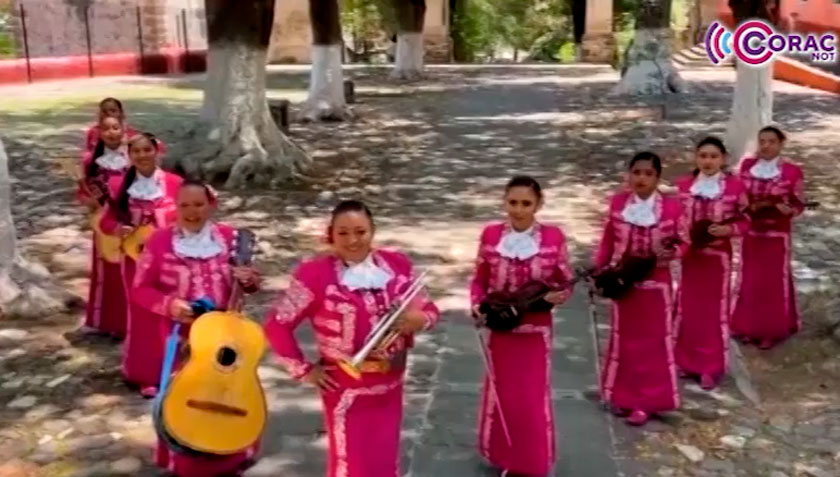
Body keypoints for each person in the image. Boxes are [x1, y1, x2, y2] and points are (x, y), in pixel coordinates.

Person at [264, 200, 440, 477]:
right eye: (343, 233)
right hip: (345, 388)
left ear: (373, 231)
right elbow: (277, 326)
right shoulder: (315, 275)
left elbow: (430, 309)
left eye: (360, 232)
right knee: (351, 462)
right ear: (331, 235)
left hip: (391, 385)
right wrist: (304, 370)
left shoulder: (397, 265)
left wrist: (420, 319)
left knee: (384, 459)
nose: (352, 240)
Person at [131, 180, 261, 476]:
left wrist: (249, 280)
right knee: (189, 402)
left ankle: (230, 455)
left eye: (199, 204)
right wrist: (170, 305)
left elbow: (250, 286)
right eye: (185, 205)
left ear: (211, 205)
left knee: (229, 394)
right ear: (175, 207)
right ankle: (189, 465)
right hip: (181, 340)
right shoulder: (159, 242)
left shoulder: (228, 238)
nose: (192, 211)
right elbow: (140, 289)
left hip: (225, 336)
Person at [469, 175, 574, 476]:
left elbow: (565, 279)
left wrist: (559, 295)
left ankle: (532, 462)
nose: (518, 210)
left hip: (536, 332)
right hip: (501, 329)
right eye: (512, 202)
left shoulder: (553, 237)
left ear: (538, 205)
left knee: (531, 399)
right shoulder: (491, 235)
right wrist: (476, 303)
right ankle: (505, 457)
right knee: (503, 396)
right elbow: (479, 279)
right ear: (504, 202)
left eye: (526, 203)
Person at [594, 152, 689, 426]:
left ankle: (647, 402)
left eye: (648, 174)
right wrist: (599, 271)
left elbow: (685, 242)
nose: (641, 178)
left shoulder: (672, 208)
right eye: (636, 172)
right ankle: (622, 396)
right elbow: (608, 241)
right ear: (629, 174)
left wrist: (672, 254)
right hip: (624, 282)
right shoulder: (618, 203)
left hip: (656, 287)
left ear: (657, 178)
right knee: (624, 341)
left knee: (653, 344)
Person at [98, 132, 183, 396]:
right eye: (136, 151)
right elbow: (105, 222)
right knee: (142, 316)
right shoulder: (117, 185)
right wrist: (119, 229)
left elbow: (190, 215)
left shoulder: (175, 183)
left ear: (157, 151)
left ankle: (177, 370)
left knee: (172, 312)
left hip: (170, 260)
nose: (142, 155)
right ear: (129, 155)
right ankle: (145, 375)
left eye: (147, 150)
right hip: (135, 261)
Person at [673, 137, 749, 390]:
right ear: (696, 158)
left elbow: (746, 220)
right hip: (691, 258)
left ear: (723, 159)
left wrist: (729, 230)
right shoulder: (683, 186)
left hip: (718, 260)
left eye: (714, 156)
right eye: (703, 156)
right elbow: (673, 219)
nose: (708, 161)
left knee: (713, 312)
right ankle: (685, 360)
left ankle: (709, 365)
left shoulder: (735, 187)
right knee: (688, 308)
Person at [731, 126, 805, 349]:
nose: (766, 145)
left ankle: (770, 330)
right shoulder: (747, 166)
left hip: (776, 235)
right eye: (762, 141)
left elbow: (799, 204)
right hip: (752, 232)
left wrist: (788, 210)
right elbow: (736, 196)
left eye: (771, 141)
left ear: (781, 144)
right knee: (750, 279)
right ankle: (746, 326)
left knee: (772, 282)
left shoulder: (792, 172)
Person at [77, 115, 131, 337]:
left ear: (123, 129)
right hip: (104, 223)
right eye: (106, 128)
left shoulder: (133, 157)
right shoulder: (92, 162)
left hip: (130, 222)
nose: (111, 132)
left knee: (128, 271)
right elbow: (82, 193)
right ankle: (104, 322)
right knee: (106, 272)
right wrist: (91, 201)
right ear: (99, 132)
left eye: (115, 127)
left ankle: (127, 323)